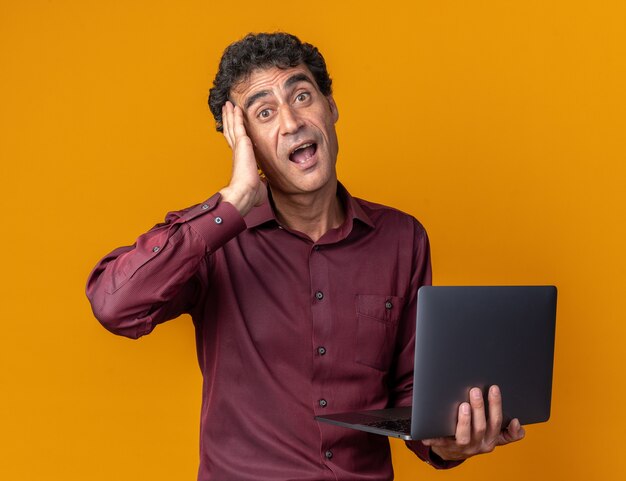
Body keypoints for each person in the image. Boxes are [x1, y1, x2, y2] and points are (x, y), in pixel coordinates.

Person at [86, 32, 525, 480]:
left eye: (301, 95)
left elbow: (410, 399)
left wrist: (450, 443)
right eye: (264, 112)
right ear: (246, 142)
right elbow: (114, 304)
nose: (292, 122)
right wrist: (232, 203)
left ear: (330, 107)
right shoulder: (214, 242)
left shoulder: (402, 237)